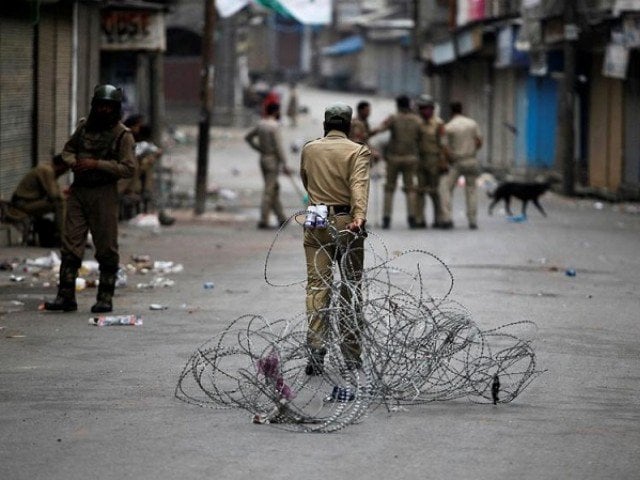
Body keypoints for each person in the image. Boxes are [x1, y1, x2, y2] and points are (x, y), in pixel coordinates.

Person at [44, 84, 136, 313]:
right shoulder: (84, 128)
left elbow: (128, 168)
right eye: (100, 106)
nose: (104, 111)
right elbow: (67, 151)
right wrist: (74, 162)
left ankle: (105, 297)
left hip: (104, 193)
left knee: (106, 247)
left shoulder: (122, 135)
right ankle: (65, 296)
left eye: (109, 107)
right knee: (70, 245)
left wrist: (97, 164)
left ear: (115, 109)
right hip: (79, 191)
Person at [300, 103, 371, 375]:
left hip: (316, 216)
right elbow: (358, 185)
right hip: (346, 220)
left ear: (325, 125)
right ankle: (352, 355)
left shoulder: (310, 149)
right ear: (349, 126)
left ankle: (316, 350)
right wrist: (359, 217)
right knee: (350, 288)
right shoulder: (357, 151)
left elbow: (306, 180)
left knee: (317, 286)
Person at [371, 95, 423, 229]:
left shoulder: (393, 118)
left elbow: (380, 129)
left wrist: (366, 134)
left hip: (394, 158)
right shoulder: (417, 120)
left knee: (389, 188)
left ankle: (386, 218)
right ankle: (412, 218)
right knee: (410, 188)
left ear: (398, 105)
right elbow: (423, 137)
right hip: (411, 158)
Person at [244, 102, 290, 229]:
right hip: (272, 161)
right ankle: (263, 219)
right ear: (275, 112)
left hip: (263, 158)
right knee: (269, 191)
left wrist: (259, 148)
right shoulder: (274, 126)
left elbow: (247, 137)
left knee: (274, 188)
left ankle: (282, 217)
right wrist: (285, 163)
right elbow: (279, 147)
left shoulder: (261, 124)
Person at [8, 154, 70, 246]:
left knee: (64, 202)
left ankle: (65, 234)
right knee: (59, 203)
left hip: (29, 202)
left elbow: (54, 191)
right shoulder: (47, 170)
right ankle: (63, 238)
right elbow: (54, 195)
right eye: (67, 168)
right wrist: (66, 195)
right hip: (22, 204)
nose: (66, 171)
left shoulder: (50, 171)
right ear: (61, 165)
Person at [438, 101, 483, 229]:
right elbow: (479, 141)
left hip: (456, 162)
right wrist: (472, 150)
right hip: (471, 160)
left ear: (450, 112)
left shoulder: (449, 127)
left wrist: (449, 158)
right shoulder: (472, 123)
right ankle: (472, 220)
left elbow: (444, 147)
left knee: (445, 188)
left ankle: (447, 218)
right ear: (462, 109)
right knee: (471, 190)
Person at [415, 95, 445, 229]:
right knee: (420, 191)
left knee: (434, 191)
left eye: (425, 108)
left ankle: (439, 218)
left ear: (432, 109)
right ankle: (419, 219)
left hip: (434, 159)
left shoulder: (438, 124)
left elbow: (443, 144)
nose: (423, 111)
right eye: (421, 108)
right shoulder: (416, 123)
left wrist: (443, 161)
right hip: (420, 160)